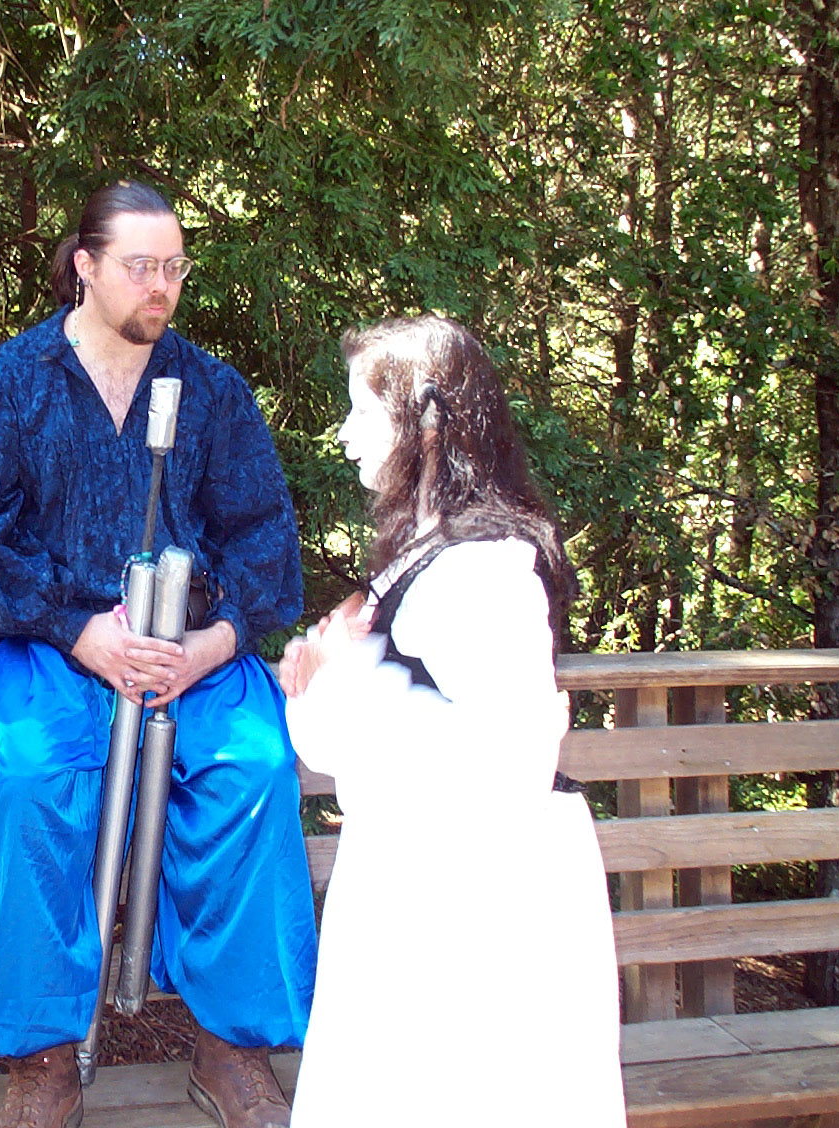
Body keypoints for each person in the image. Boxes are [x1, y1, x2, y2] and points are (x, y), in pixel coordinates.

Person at [0, 181, 317, 1128]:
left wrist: (209, 645)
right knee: (30, 780)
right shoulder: (7, 381)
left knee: (254, 769)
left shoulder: (214, 391)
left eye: (174, 267)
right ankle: (44, 1058)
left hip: (190, 651)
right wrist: (79, 631)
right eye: (140, 266)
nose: (161, 285)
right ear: (86, 266)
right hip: (43, 640)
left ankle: (230, 1050)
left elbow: (264, 539)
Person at [277, 315, 626, 1126]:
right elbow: (368, 725)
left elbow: (509, 764)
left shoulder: (483, 570)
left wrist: (339, 681)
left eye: (365, 411)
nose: (346, 433)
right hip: (415, 884)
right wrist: (324, 680)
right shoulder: (427, 558)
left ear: (428, 423)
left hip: (475, 918)